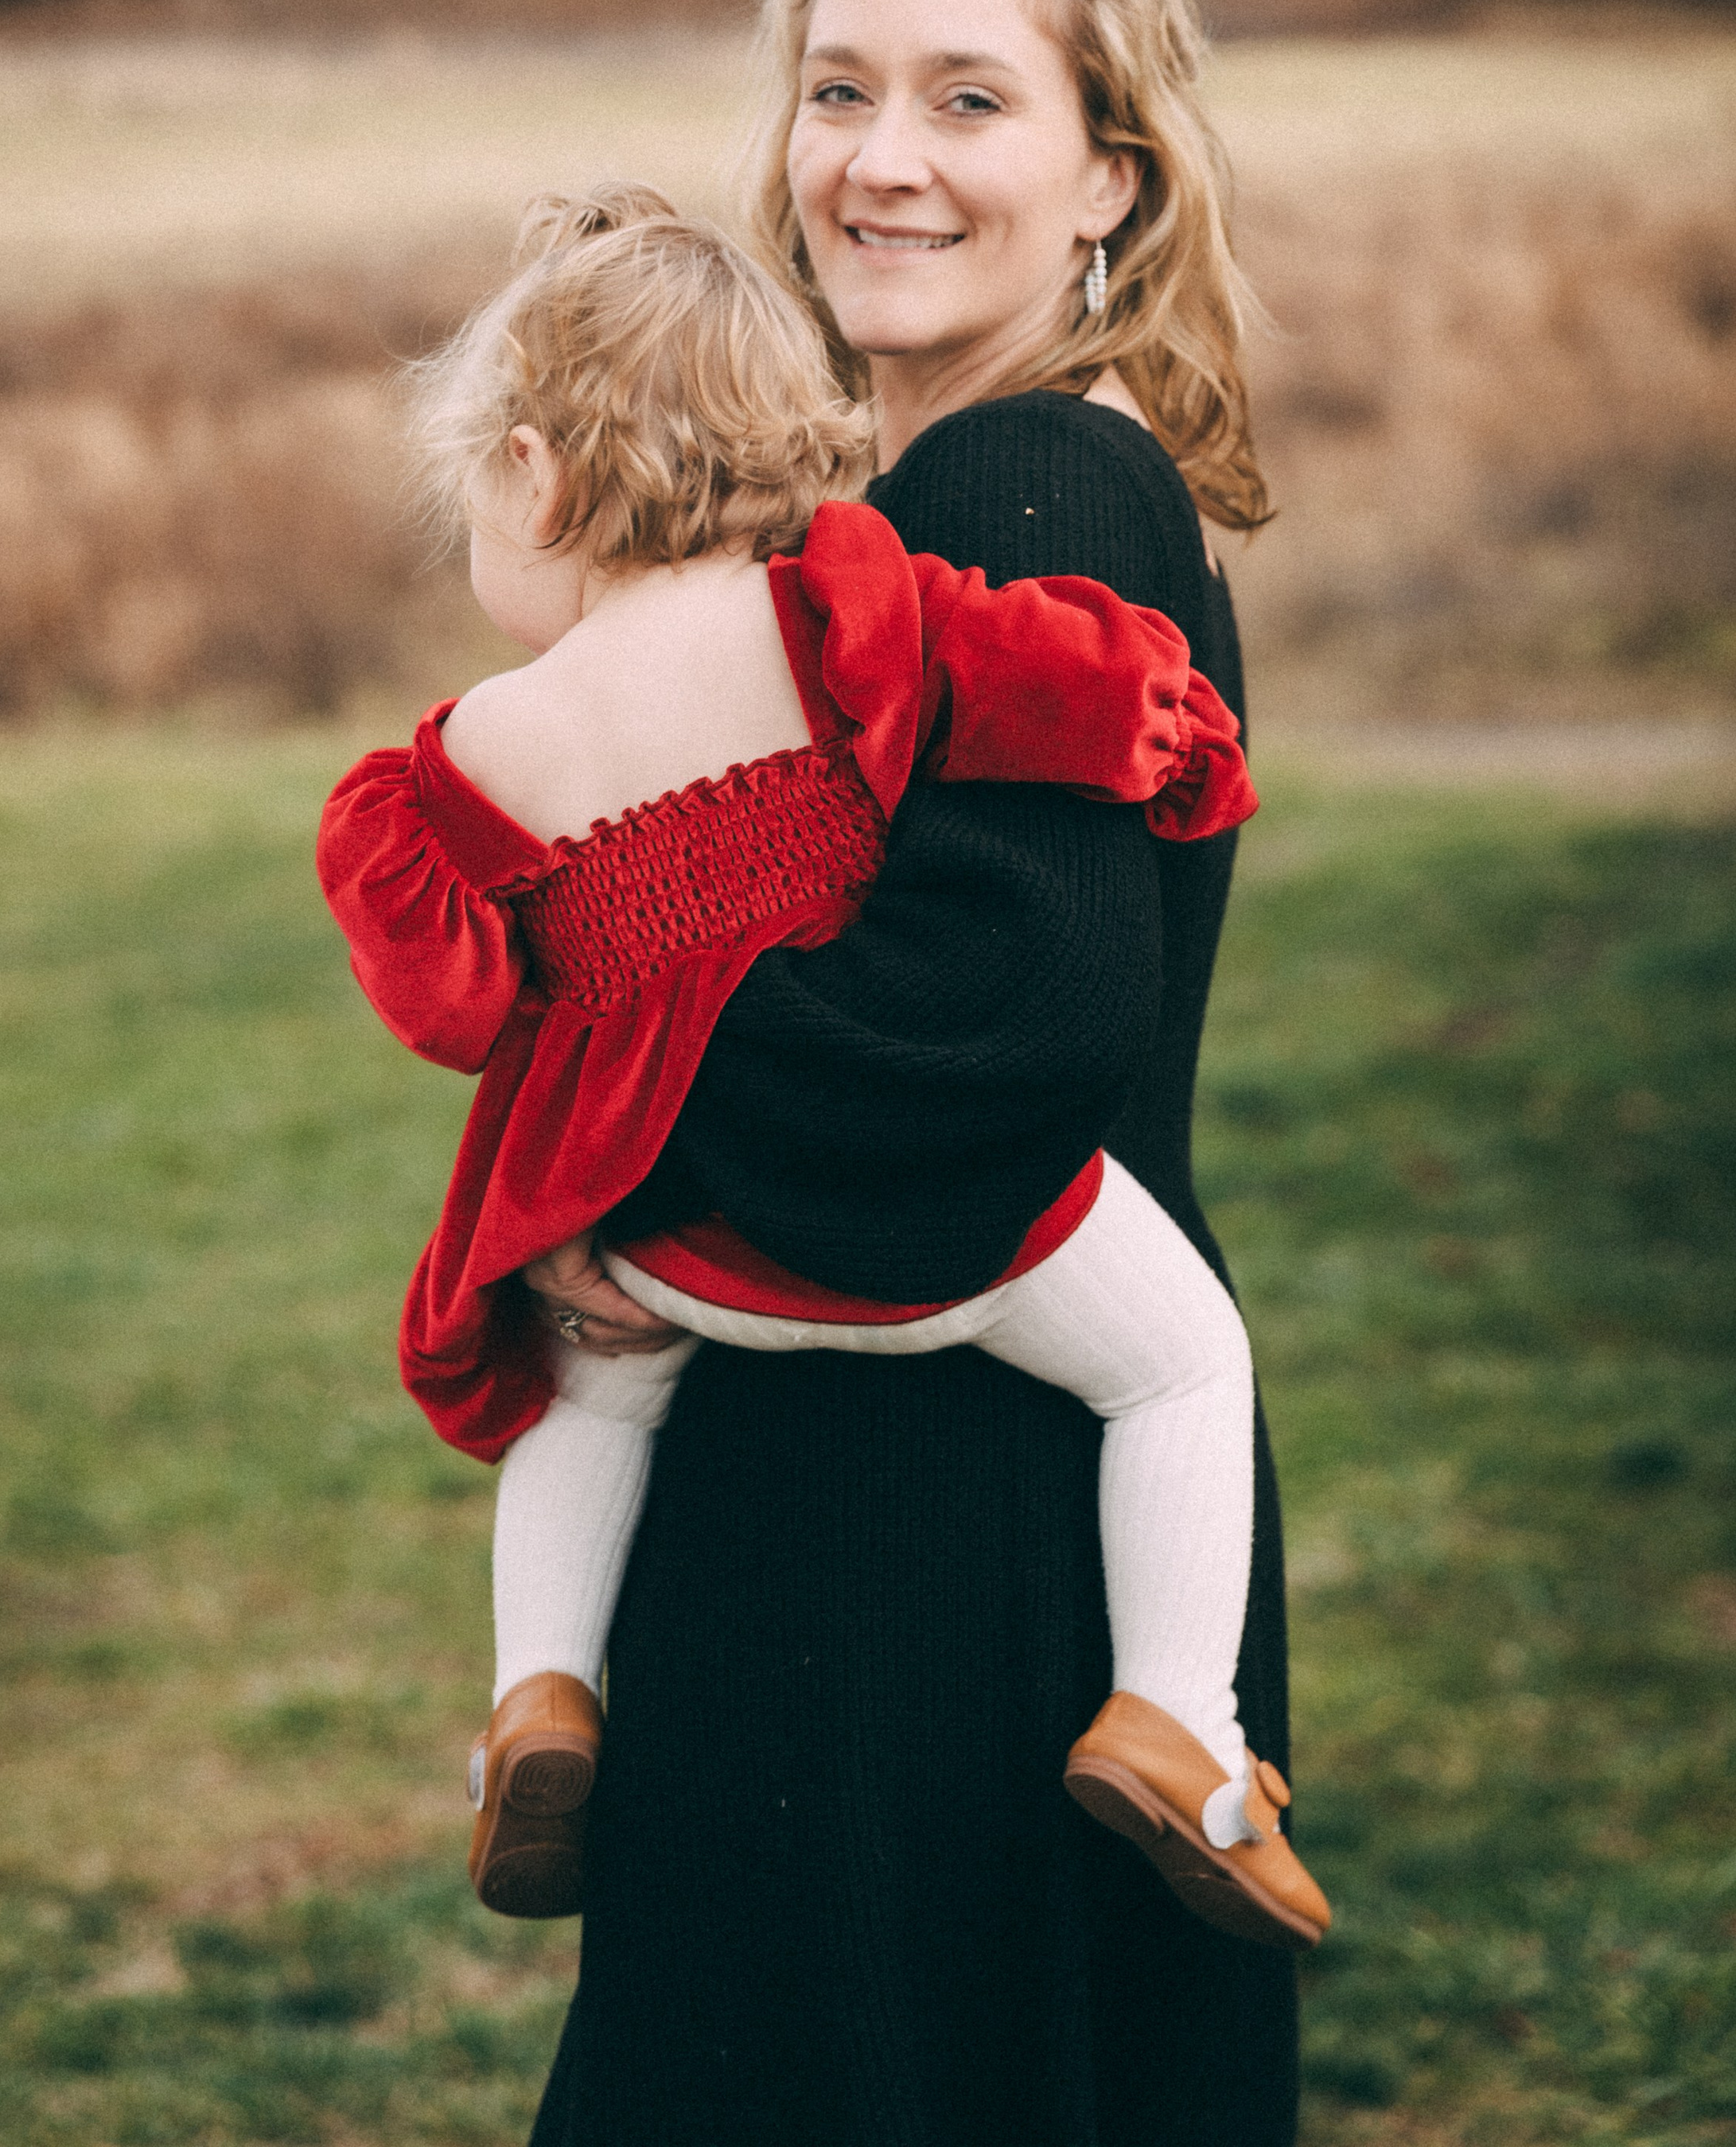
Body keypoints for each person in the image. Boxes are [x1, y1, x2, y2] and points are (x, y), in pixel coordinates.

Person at [517, 0, 1304, 2147]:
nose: (879, 161)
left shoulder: (1031, 485)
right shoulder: (893, 517)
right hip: (920, 1473)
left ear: (1108, 184)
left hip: (939, 1542)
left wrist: (601, 1105)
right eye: (837, 90)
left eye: (971, 103)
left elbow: (993, 1037)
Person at [317, 191, 1325, 1962]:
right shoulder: (837, 614)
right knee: (1178, 1367)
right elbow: (1063, 685)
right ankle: (1185, 1724)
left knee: (583, 1398)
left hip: (673, 1245)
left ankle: (538, 1696)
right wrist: (1180, 751)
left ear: (537, 477)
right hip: (954, 1237)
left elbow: (451, 1004)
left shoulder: (448, 764)